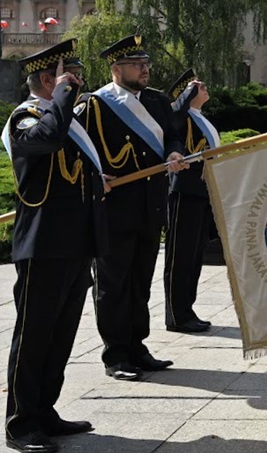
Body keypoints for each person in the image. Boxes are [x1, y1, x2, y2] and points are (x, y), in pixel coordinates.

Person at [1, 40, 104, 453]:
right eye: (71, 76)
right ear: (47, 79)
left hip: (75, 244)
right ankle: (21, 423)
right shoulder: (24, 119)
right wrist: (61, 94)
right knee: (34, 336)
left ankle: (44, 410)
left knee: (61, 335)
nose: (78, 83)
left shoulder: (66, 119)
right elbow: (46, 138)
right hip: (42, 246)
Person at [77, 35, 187, 381]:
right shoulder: (96, 105)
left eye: (146, 64)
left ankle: (138, 346)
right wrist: (96, 176)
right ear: (116, 69)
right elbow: (78, 150)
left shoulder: (156, 101)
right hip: (114, 207)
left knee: (141, 280)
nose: (145, 70)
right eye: (137, 65)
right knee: (113, 283)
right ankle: (116, 354)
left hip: (150, 204)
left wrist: (173, 152)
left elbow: (173, 134)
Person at [163, 69, 218, 334]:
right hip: (184, 191)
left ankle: (188, 309)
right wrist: (185, 95)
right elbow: (173, 116)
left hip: (202, 191)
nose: (205, 89)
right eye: (199, 86)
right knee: (180, 256)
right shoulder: (182, 118)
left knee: (195, 256)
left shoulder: (199, 118)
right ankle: (176, 314)